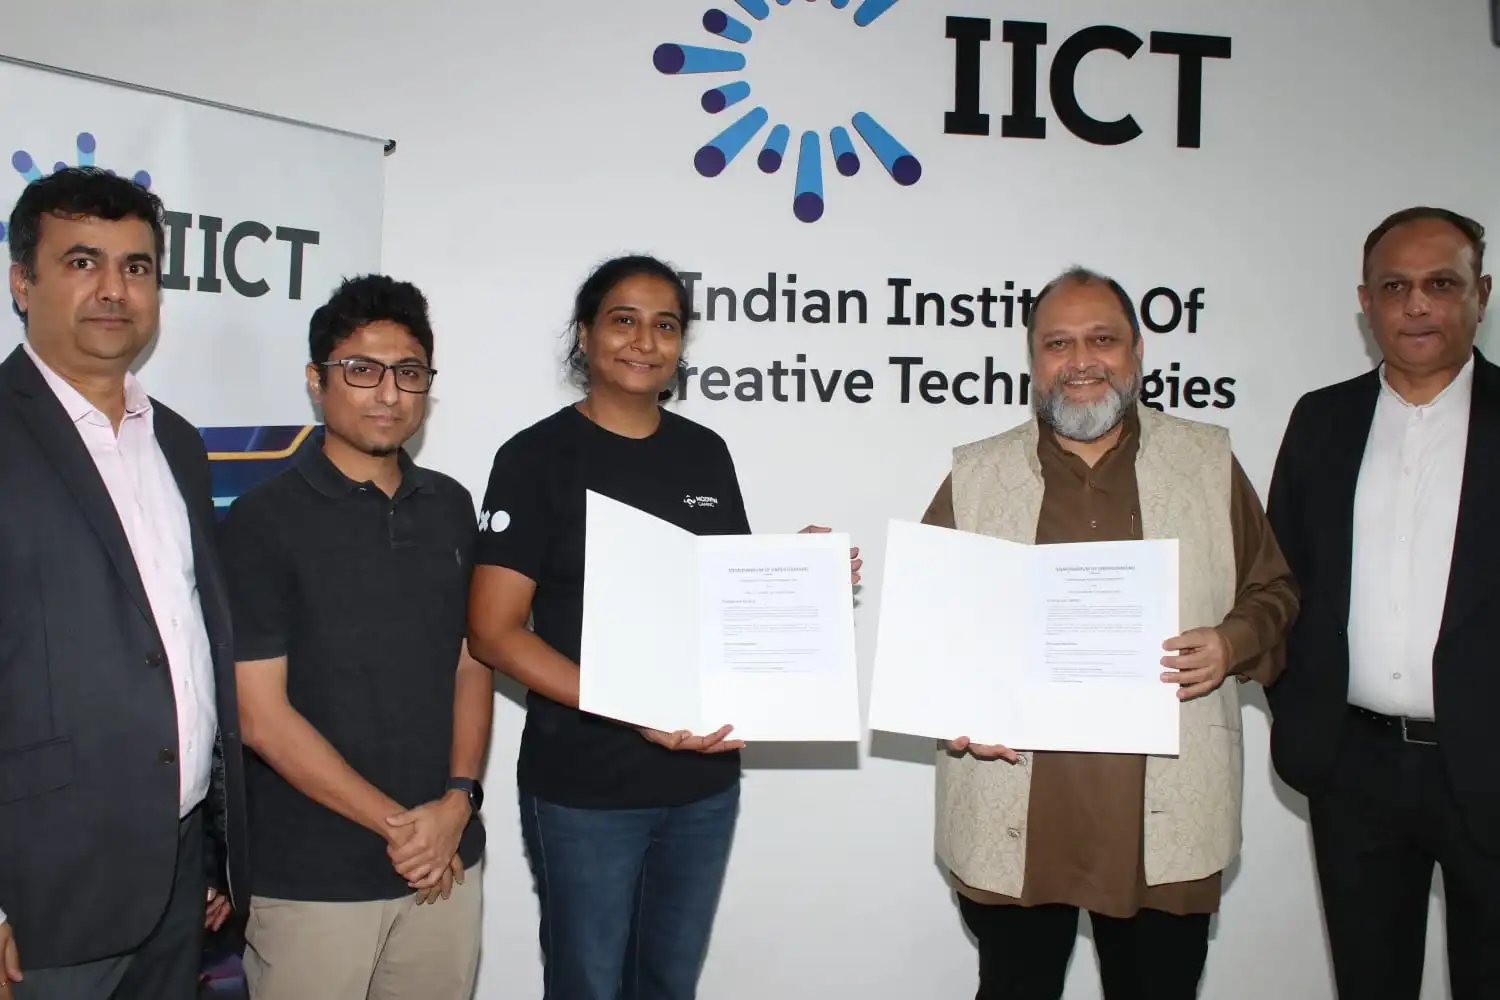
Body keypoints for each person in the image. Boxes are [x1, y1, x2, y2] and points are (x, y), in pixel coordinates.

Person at [466, 253, 860, 1000]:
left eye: (666, 325)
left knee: (668, 985)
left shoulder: (703, 453)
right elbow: (493, 632)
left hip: (702, 784)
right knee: (588, 985)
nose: (645, 341)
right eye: (624, 320)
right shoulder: (534, 458)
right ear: (585, 335)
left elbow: (721, 602)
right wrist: (633, 707)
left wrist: (799, 572)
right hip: (585, 786)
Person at [921, 266, 1298, 1000]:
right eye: (1057, 343)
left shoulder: (1207, 462)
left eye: (1102, 340)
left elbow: (1274, 589)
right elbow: (929, 626)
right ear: (1032, 359)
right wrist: (956, 703)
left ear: (1138, 351)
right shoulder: (976, 475)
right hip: (1014, 812)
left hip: (1165, 812)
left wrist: (1231, 642)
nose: (1081, 361)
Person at [0, 166, 247, 999]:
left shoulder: (177, 442)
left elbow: (184, 646)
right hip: (40, 891)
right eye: (82, 262)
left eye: (135, 267)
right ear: (22, 282)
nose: (114, 288)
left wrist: (213, 848)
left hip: (177, 879)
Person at [219, 275, 490, 1000]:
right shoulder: (263, 519)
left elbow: (472, 662)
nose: (389, 394)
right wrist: (404, 829)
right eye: (362, 370)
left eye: (409, 373)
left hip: (445, 864)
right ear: (317, 381)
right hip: (313, 878)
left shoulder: (451, 505)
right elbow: (260, 715)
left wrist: (459, 801)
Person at [1265, 207, 1498, 998]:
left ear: (1481, 294)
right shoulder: (1321, 420)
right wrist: (1306, 711)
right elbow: (1279, 582)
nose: (1417, 304)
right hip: (1354, 770)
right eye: (1395, 287)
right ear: (1366, 303)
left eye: (1442, 284)